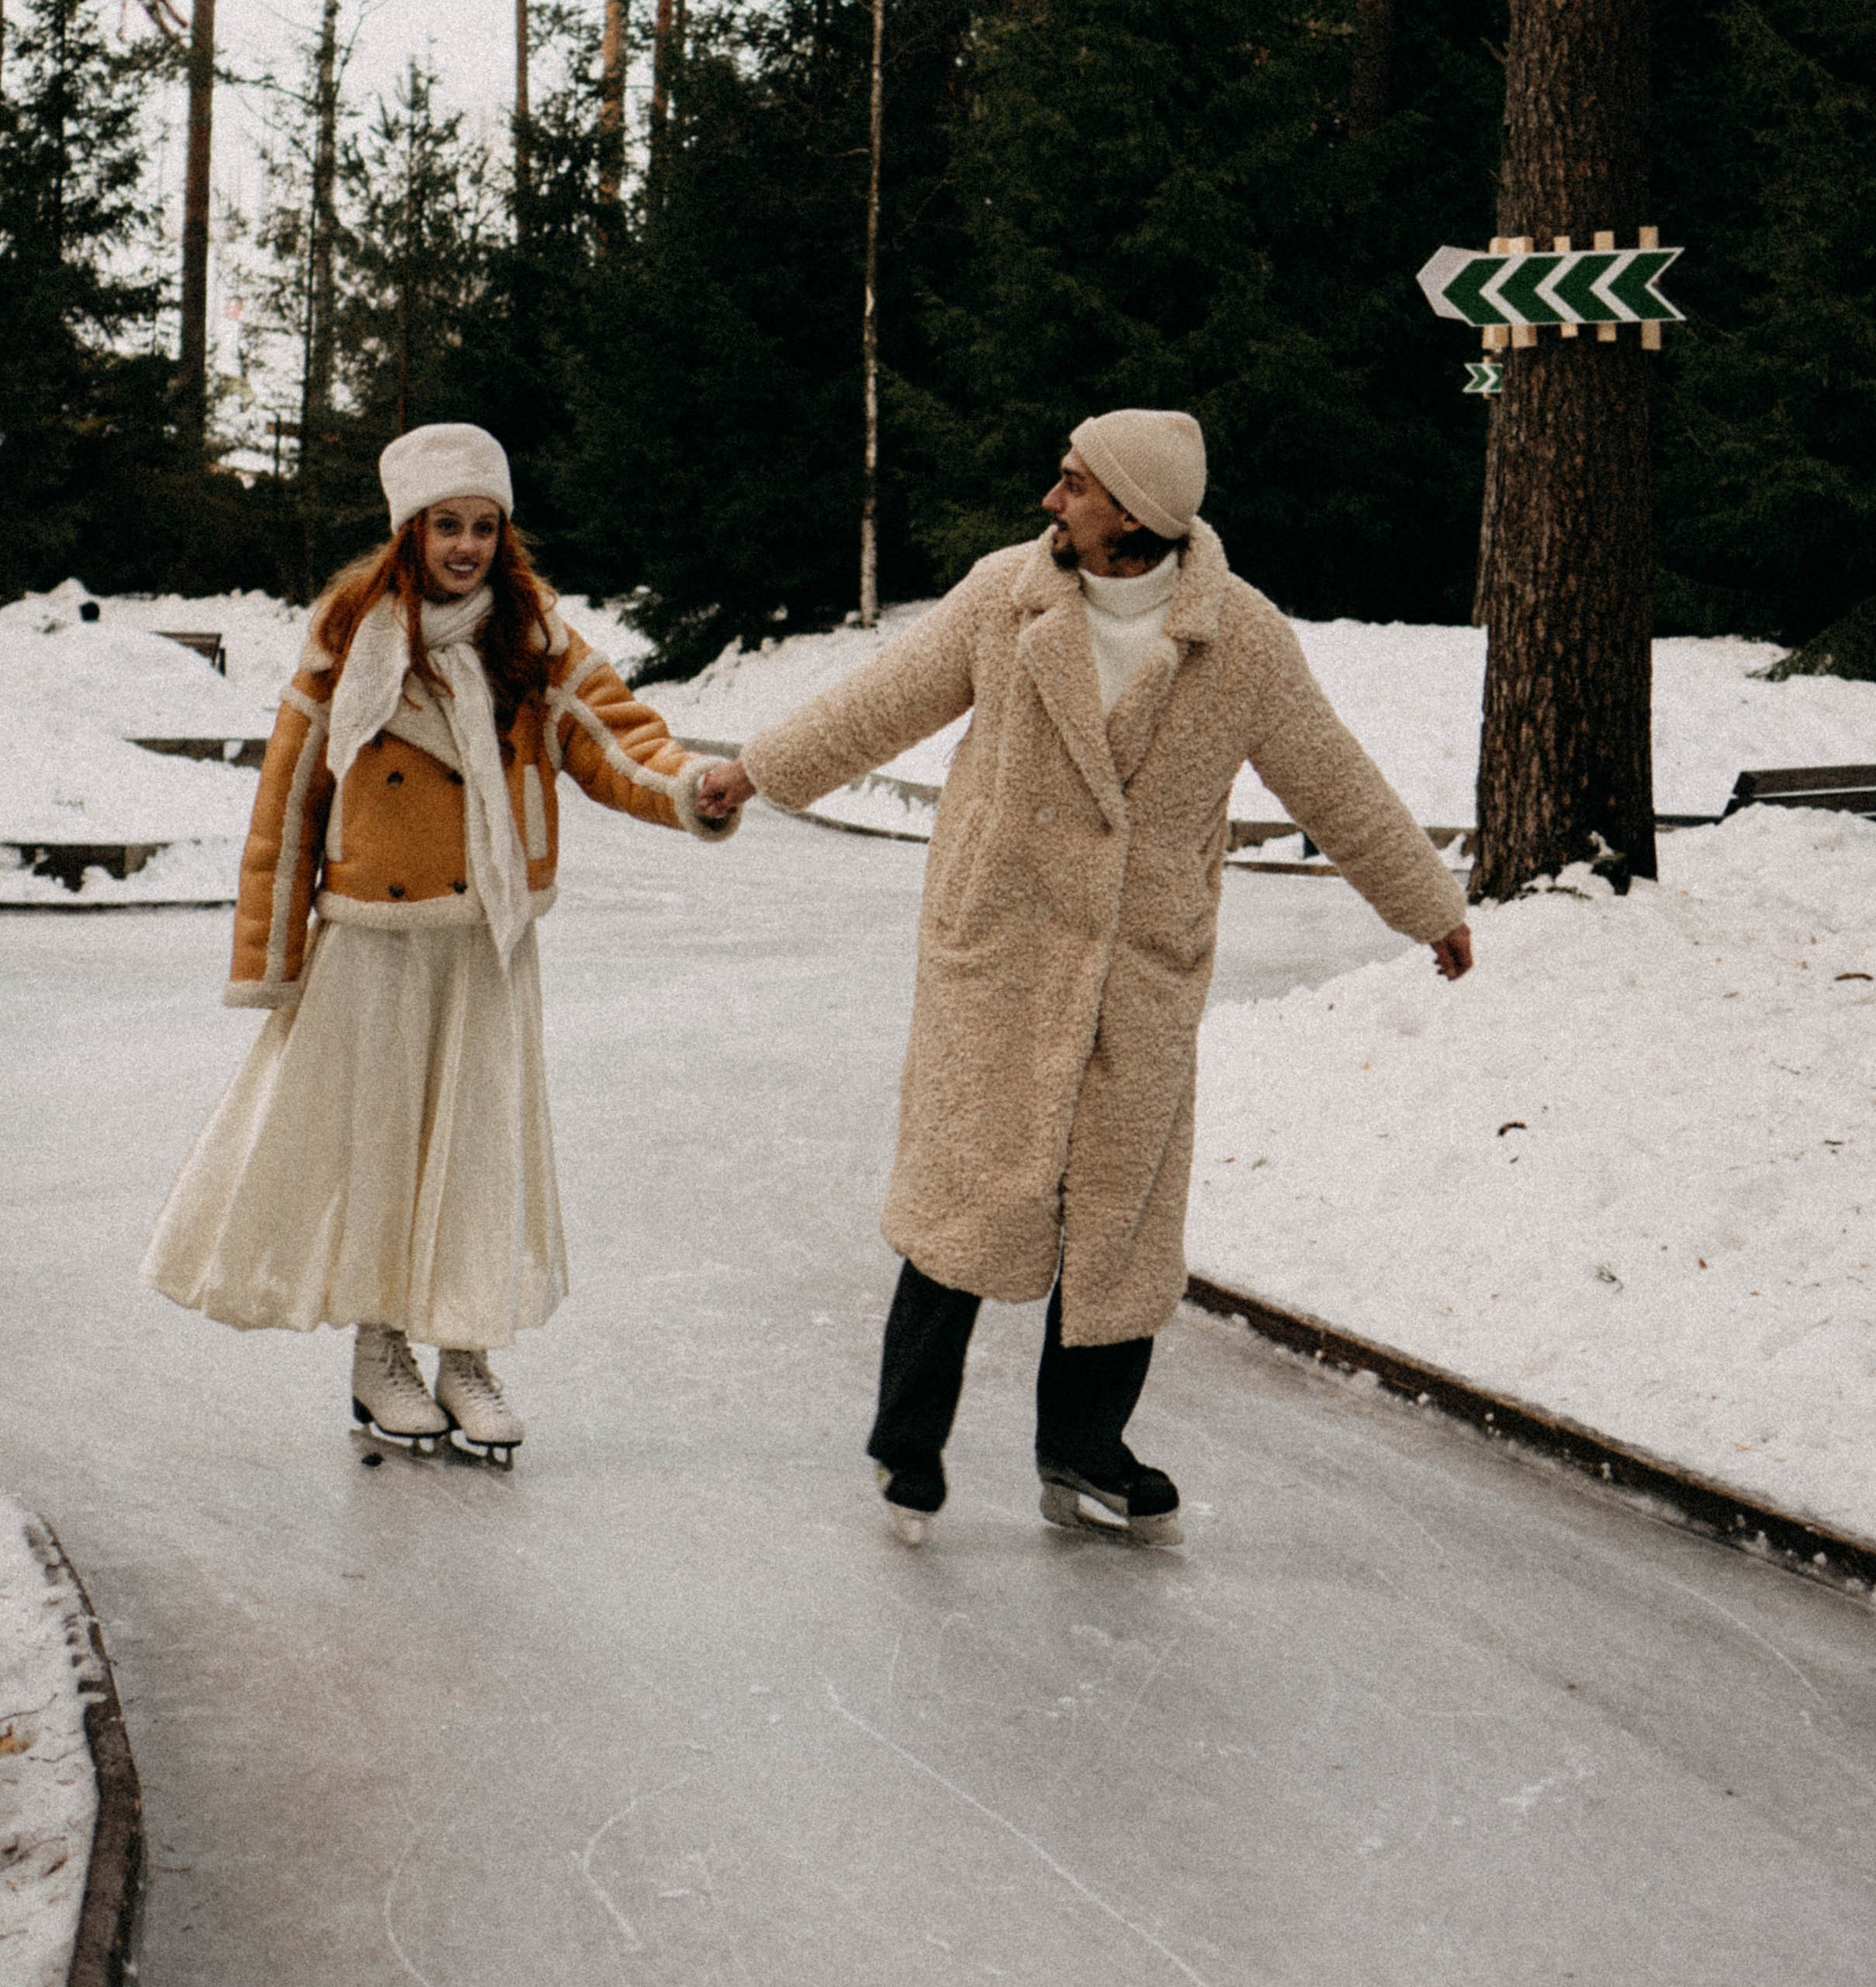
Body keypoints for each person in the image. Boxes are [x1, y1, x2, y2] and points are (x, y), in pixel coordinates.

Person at [694, 408, 1471, 1547]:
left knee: (1122, 1218)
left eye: (1074, 484)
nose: (1051, 501)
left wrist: (1428, 904)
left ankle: (1085, 1454)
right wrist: (756, 772)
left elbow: (1331, 778)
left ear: (1138, 513)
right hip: (998, 950)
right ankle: (906, 1446)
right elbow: (882, 701)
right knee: (963, 1197)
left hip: (1137, 967)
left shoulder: (1240, 639)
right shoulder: (1008, 598)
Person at [143, 422, 740, 1461]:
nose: (465, 545)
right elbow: (290, 796)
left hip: (487, 934)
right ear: (408, 530)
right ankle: (382, 1356)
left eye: (484, 526)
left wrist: (689, 788)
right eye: (446, 525)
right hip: (373, 933)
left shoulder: (533, 631)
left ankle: (464, 1351)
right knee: (383, 1148)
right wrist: (269, 957)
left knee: (477, 1147)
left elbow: (613, 741)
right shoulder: (349, 630)